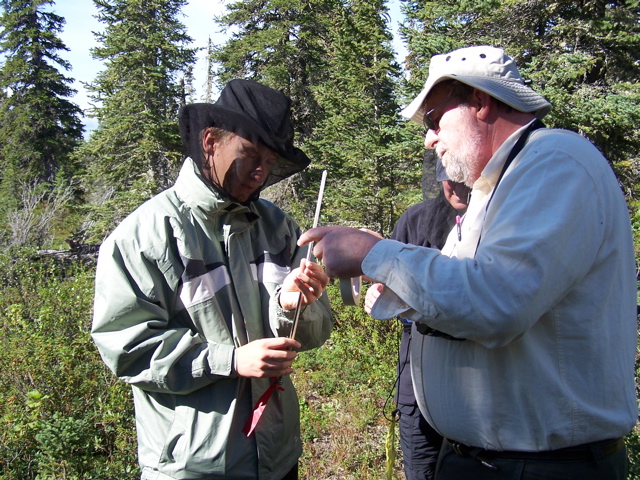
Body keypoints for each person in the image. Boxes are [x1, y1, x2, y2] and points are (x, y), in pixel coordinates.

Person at [298, 45, 637, 479]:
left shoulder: (554, 162)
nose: (428, 137)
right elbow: (472, 288)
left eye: (435, 118)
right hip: (487, 461)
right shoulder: (497, 184)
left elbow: (498, 302)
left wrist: (375, 253)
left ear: (480, 101)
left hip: (541, 468)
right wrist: (397, 281)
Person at [91, 79, 333, 480]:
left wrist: (291, 307)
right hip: (196, 465)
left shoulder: (278, 228)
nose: (260, 172)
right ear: (209, 141)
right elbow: (127, 347)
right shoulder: (144, 237)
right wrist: (232, 361)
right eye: (250, 154)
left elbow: (313, 334)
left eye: (271, 162)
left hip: (277, 457)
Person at [364, 157, 470, 480]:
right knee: (420, 469)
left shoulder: (495, 223)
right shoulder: (416, 220)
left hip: (470, 384)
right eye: (450, 179)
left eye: (464, 179)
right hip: (416, 378)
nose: (458, 187)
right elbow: (388, 282)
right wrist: (380, 295)